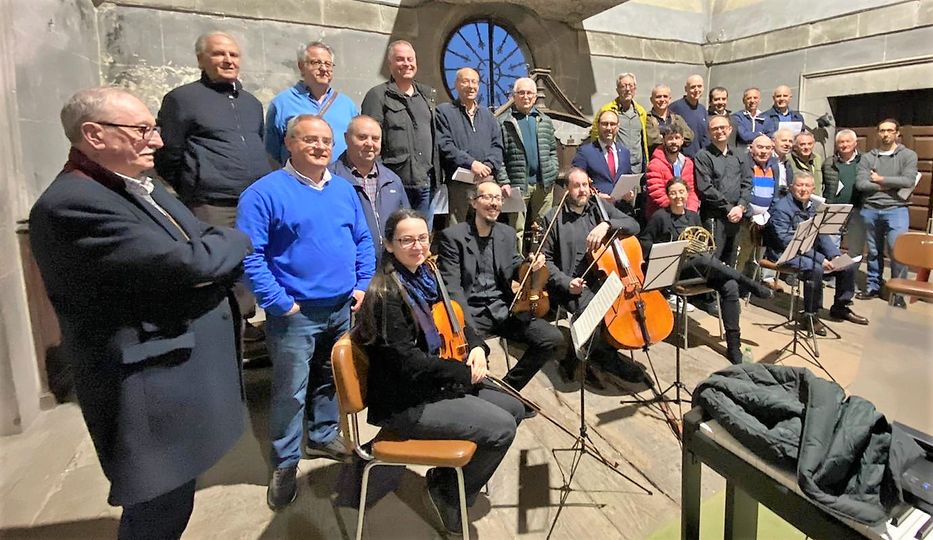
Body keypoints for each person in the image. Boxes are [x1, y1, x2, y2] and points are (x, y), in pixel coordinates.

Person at [30, 87, 252, 538]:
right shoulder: (72, 203)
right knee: (156, 510)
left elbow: (201, 236)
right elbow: (191, 261)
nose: (157, 140)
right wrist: (239, 239)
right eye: (143, 129)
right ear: (93, 135)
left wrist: (214, 248)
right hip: (146, 389)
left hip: (174, 373)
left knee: (174, 500)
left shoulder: (140, 187)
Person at [352, 208, 524, 536]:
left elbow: (456, 318)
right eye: (406, 240)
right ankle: (446, 494)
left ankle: (445, 478)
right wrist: (461, 372)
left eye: (422, 238)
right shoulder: (386, 295)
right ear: (389, 245)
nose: (417, 246)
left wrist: (476, 347)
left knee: (515, 408)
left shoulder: (425, 275)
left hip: (433, 382)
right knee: (502, 428)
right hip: (405, 402)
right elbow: (409, 365)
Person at [237, 115, 375, 510]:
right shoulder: (263, 194)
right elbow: (251, 257)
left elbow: (362, 239)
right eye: (310, 140)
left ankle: (323, 432)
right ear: (290, 143)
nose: (320, 147)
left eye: (327, 141)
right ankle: (284, 462)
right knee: (290, 390)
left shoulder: (345, 191)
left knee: (331, 377)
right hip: (295, 313)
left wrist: (361, 285)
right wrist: (280, 302)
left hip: (341, 306)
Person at [154, 31, 272, 344]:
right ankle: (223, 329)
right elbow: (168, 152)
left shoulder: (250, 103)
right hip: (212, 201)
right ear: (201, 59)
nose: (228, 60)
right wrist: (194, 183)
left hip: (253, 199)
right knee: (219, 264)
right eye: (219, 54)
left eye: (233, 55)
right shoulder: (182, 99)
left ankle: (245, 323)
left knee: (252, 260)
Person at [437, 180, 563, 391]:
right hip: (470, 312)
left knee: (551, 338)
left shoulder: (506, 234)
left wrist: (529, 266)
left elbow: (514, 265)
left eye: (498, 198)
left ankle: (507, 390)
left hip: (502, 309)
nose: (494, 203)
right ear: (474, 202)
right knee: (474, 361)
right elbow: (453, 289)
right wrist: (469, 332)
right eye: (487, 197)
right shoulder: (453, 237)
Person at [639, 178, 773, 364]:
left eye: (681, 192)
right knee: (703, 259)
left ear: (687, 194)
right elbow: (644, 243)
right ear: (668, 196)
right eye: (673, 193)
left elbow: (702, 242)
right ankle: (749, 283)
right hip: (676, 271)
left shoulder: (693, 215)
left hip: (700, 268)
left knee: (730, 285)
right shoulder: (660, 217)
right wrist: (668, 248)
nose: (678, 196)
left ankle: (734, 345)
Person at [541, 168, 644, 385]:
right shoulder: (553, 218)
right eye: (576, 186)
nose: (582, 190)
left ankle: (604, 353)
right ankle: (587, 359)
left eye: (585, 185)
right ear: (567, 190)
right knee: (595, 310)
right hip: (571, 284)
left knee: (624, 305)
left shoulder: (599, 208)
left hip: (603, 278)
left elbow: (634, 225)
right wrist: (567, 282)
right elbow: (545, 262)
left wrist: (608, 224)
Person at [763, 172, 869, 335]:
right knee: (815, 269)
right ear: (792, 187)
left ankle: (841, 307)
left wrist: (834, 255)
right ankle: (810, 315)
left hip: (807, 250)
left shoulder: (813, 206)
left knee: (846, 264)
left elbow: (821, 234)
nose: (803, 189)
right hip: (784, 253)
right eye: (799, 185)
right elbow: (786, 241)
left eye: (807, 186)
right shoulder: (781, 208)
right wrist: (819, 258)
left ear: (813, 188)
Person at [361, 40, 439, 221]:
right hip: (393, 183)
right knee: (395, 237)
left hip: (425, 184)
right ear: (390, 64)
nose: (406, 64)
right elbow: (370, 141)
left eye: (410, 59)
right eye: (400, 59)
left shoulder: (427, 96)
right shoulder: (378, 96)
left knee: (420, 239)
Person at [855, 118, 919, 305]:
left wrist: (880, 179)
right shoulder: (868, 157)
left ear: (897, 133)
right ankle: (873, 286)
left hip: (896, 209)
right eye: (882, 131)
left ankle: (897, 293)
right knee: (874, 251)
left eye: (890, 131)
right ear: (877, 133)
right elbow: (861, 184)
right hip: (871, 209)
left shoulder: (908, 155)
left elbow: (908, 181)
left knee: (897, 251)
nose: (886, 134)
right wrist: (888, 185)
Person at [266, 40, 358, 165]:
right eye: (316, 63)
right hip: (298, 180)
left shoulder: (347, 105)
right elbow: (271, 153)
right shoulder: (282, 103)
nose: (324, 68)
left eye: (328, 64)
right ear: (301, 66)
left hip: (339, 180)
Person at [329, 115, 410, 255]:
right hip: (351, 266)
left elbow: (406, 224)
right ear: (346, 138)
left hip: (389, 267)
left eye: (375, 138)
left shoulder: (392, 180)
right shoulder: (329, 180)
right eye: (362, 137)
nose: (370, 143)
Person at [496, 77, 559, 250]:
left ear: (535, 96)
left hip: (543, 185)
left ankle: (540, 264)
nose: (525, 96)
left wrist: (552, 171)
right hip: (517, 186)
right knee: (516, 229)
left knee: (542, 228)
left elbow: (553, 150)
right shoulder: (504, 122)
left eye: (529, 93)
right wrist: (504, 181)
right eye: (521, 93)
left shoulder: (544, 121)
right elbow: (498, 154)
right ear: (514, 96)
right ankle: (518, 268)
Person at [435, 67, 504, 224]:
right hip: (459, 183)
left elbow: (497, 146)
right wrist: (471, 163)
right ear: (457, 84)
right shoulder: (444, 112)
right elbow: (445, 145)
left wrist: (487, 166)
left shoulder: (488, 116)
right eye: (465, 81)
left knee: (486, 224)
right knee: (456, 227)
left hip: (485, 181)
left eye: (474, 82)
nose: (471, 86)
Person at [572, 109, 636, 217]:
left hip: (622, 211)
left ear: (618, 126)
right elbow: (575, 181)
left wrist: (629, 193)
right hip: (596, 210)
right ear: (598, 125)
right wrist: (596, 196)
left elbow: (627, 178)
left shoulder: (625, 152)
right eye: (605, 124)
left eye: (613, 124)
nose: (609, 128)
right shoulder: (585, 152)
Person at [591, 72, 648, 174]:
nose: (627, 89)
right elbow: (595, 136)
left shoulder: (641, 112)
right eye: (623, 86)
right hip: (616, 166)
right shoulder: (607, 110)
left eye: (630, 85)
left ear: (635, 89)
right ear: (617, 90)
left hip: (638, 168)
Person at [822, 128, 864, 257]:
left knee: (855, 246)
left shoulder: (865, 161)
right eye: (841, 142)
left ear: (855, 143)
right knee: (831, 244)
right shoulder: (829, 162)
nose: (844, 145)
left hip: (858, 209)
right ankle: (832, 273)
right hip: (834, 208)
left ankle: (850, 274)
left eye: (848, 141)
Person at [644, 123, 699, 220]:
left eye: (677, 138)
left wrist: (691, 211)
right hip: (661, 216)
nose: (674, 142)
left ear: (682, 140)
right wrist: (677, 211)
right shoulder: (655, 164)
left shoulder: (688, 163)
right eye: (670, 138)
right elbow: (657, 194)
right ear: (663, 140)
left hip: (684, 213)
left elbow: (690, 191)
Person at [644, 84, 694, 155]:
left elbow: (689, 136)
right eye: (658, 97)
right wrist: (676, 138)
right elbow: (652, 140)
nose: (662, 99)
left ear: (669, 99)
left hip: (675, 162)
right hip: (655, 161)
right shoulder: (647, 119)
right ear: (651, 100)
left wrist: (662, 135)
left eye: (665, 96)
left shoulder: (677, 118)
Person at [669, 75, 708, 157]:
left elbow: (705, 136)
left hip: (701, 159)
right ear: (686, 89)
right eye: (693, 87)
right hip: (683, 159)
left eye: (699, 86)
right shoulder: (675, 107)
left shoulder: (702, 109)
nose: (696, 90)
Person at [731, 87, 772, 152]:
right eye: (749, 98)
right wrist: (761, 135)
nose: (752, 101)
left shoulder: (766, 118)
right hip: (742, 155)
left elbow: (770, 137)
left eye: (755, 98)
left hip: (761, 155)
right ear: (743, 101)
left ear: (760, 100)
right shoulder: (737, 117)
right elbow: (744, 136)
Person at [789, 130, 824, 195]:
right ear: (795, 146)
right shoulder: (788, 160)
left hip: (816, 200)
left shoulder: (817, 159)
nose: (806, 147)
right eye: (802, 144)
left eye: (809, 144)